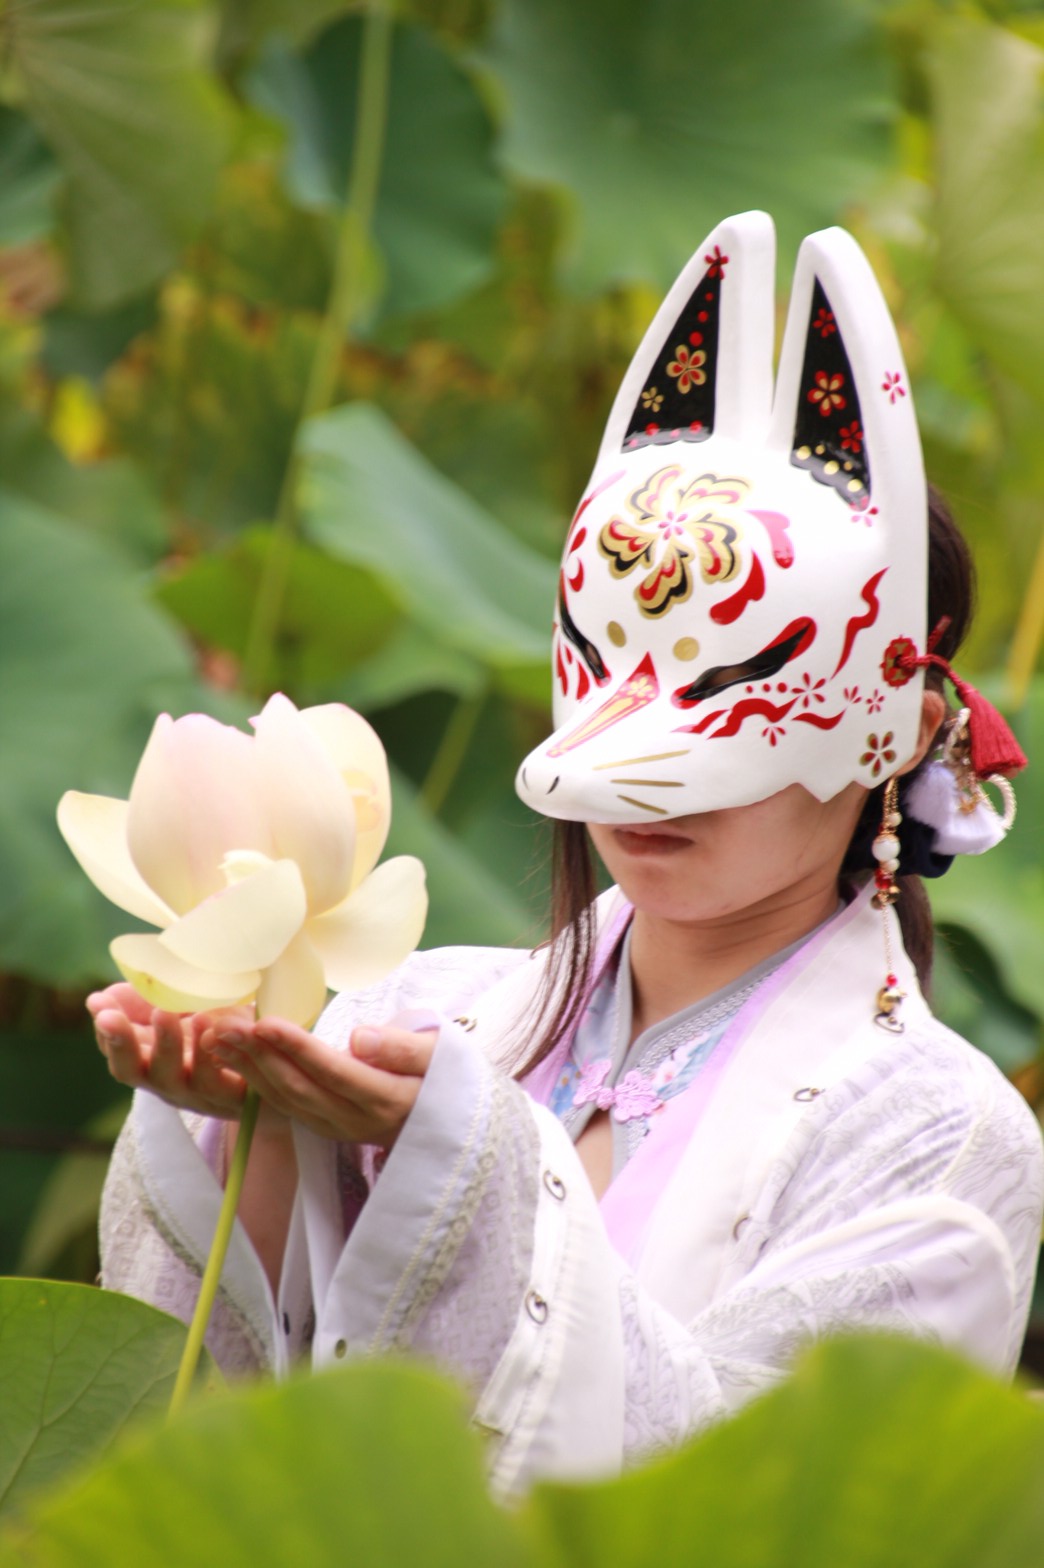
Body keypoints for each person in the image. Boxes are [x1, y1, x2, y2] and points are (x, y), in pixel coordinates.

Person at [91, 213, 1044, 1498]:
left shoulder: (937, 1133)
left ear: (904, 729)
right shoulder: (405, 1012)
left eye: (729, 706)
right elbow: (223, 1445)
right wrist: (254, 1130)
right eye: (606, 677)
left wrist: (476, 1167)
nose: (642, 784)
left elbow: (752, 1504)